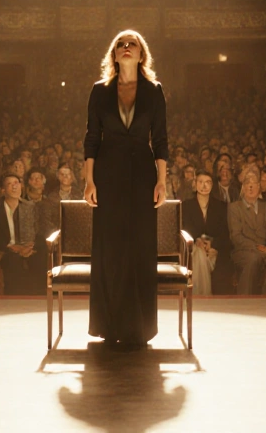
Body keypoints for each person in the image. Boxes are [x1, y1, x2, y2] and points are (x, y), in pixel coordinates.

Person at [83, 30, 169, 348]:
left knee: (139, 248)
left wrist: (162, 180)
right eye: (121, 44)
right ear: (114, 54)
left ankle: (140, 329)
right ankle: (110, 326)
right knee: (111, 251)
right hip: (107, 175)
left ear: (141, 53)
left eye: (132, 43)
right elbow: (92, 137)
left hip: (144, 177)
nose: (127, 47)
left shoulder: (154, 91)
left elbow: (160, 139)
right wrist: (89, 180)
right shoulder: (100, 91)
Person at [0, 173, 43, 295]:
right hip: (7, 250)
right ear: (3, 190)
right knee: (13, 262)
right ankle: (14, 303)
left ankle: (38, 301)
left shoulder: (29, 206)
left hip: (28, 248)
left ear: (21, 186)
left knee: (40, 259)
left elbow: (38, 231)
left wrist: (29, 247)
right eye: (9, 184)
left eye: (16, 183)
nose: (14, 187)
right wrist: (11, 247)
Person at [228, 172, 266, 294]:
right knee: (254, 258)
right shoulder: (234, 208)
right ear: (242, 188)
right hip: (243, 250)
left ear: (259, 187)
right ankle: (244, 299)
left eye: (254, 184)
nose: (250, 186)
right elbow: (236, 236)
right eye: (247, 183)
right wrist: (256, 247)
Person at [181, 171, 232, 295]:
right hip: (193, 249)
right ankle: (204, 297)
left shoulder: (221, 206)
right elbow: (185, 230)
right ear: (195, 184)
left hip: (215, 250)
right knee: (199, 254)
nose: (204, 186)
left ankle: (199, 298)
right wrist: (196, 241)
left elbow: (225, 233)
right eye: (201, 182)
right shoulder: (186, 206)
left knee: (204, 254)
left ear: (212, 185)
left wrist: (213, 245)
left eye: (208, 182)